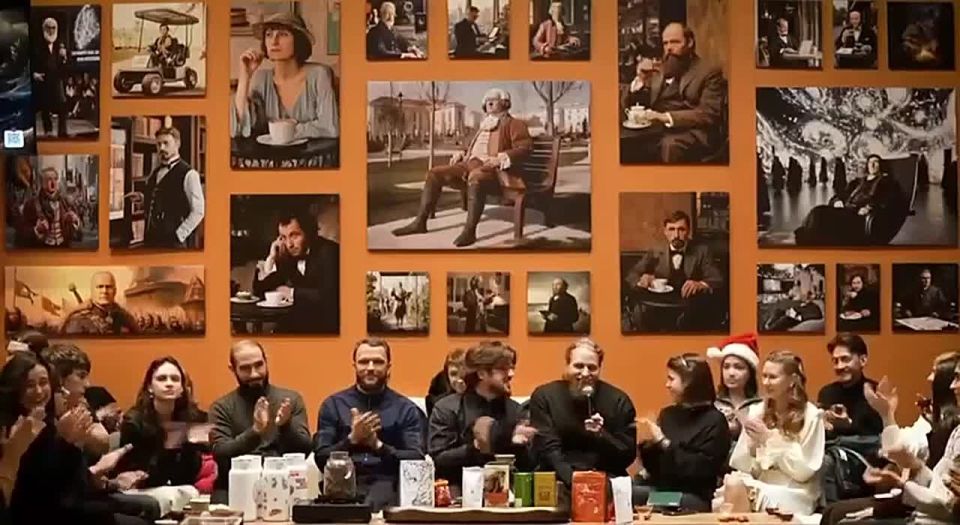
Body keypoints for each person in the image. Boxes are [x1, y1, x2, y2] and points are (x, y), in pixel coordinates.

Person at [0, 353, 150, 525]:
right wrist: (67, 444)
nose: (39, 391)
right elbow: (43, 493)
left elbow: (73, 484)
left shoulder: (49, 422)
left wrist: (74, 447)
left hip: (71, 502)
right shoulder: (11, 428)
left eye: (43, 383)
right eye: (29, 385)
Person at [392, 88, 533, 247]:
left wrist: (501, 158)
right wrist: (462, 152)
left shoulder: (514, 124)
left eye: (494, 100)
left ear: (505, 103)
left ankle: (469, 231)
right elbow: (473, 146)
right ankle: (420, 222)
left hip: (495, 171)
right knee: (434, 173)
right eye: (487, 101)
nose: (489, 103)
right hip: (469, 164)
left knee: (476, 177)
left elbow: (525, 148)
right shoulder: (484, 125)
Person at [313, 338, 425, 510]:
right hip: (342, 486)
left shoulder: (406, 409)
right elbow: (321, 457)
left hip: (388, 483)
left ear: (388, 366)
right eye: (364, 362)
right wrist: (352, 440)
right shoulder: (333, 405)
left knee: (381, 495)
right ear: (355, 366)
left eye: (378, 362)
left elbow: (416, 459)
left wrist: (377, 445)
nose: (371, 367)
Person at [722, 350, 825, 516]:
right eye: (764, 376)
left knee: (738, 490)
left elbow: (804, 471)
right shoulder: (758, 411)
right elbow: (743, 465)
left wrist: (769, 439)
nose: (766, 382)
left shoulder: (811, 415)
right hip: (762, 482)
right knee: (733, 483)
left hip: (795, 490)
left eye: (773, 377)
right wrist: (753, 449)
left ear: (792, 380)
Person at [209, 340, 311, 501]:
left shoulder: (290, 399)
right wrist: (255, 431)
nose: (254, 374)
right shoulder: (221, 407)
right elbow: (221, 455)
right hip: (235, 487)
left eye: (259, 365)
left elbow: (305, 450)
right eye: (245, 368)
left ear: (266, 361)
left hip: (283, 485)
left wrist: (285, 426)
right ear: (232, 369)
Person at [529, 338, 637, 489]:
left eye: (592, 368)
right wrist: (576, 483)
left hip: (605, 479)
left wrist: (601, 435)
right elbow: (548, 450)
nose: (585, 373)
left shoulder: (619, 400)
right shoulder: (545, 396)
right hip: (558, 481)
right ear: (567, 366)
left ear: (599, 369)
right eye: (578, 366)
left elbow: (627, 455)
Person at [428, 341, 536, 490]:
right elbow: (440, 459)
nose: (511, 374)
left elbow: (530, 467)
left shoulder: (516, 411)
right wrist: (474, 448)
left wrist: (521, 446)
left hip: (508, 494)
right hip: (459, 492)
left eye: (512, 368)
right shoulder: (447, 408)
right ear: (481, 373)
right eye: (503, 369)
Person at [634, 353, 730, 511]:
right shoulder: (668, 414)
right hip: (662, 489)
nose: (667, 385)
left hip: (692, 496)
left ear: (689, 383)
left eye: (671, 379)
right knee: (622, 492)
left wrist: (664, 442)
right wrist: (647, 445)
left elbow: (699, 470)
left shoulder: (715, 421)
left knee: (642, 498)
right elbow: (656, 469)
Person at [621, 22, 726, 163]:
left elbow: (708, 113)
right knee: (624, 143)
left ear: (689, 43)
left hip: (692, 132)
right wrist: (641, 78)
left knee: (670, 145)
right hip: (656, 130)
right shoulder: (660, 69)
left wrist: (664, 117)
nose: (669, 48)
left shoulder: (709, 71)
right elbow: (638, 102)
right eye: (665, 43)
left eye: (675, 42)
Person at [231, 11, 339, 141]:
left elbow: (330, 127)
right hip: (270, 154)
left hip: (315, 153)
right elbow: (239, 128)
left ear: (298, 41)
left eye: (283, 34)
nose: (274, 41)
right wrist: (245, 76)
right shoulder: (261, 78)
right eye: (269, 35)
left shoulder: (319, 75)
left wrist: (286, 132)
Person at [116, 357, 207, 491]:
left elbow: (191, 471)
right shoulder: (134, 422)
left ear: (182, 388)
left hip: (181, 487)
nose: (169, 384)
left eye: (175, 379)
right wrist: (168, 443)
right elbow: (134, 471)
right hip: (141, 489)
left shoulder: (193, 418)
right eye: (162, 378)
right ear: (150, 387)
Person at [624, 210, 724, 330]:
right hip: (659, 309)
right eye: (671, 229)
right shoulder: (656, 250)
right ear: (665, 232)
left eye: (681, 229)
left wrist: (700, 284)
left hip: (691, 310)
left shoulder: (702, 251)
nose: (676, 235)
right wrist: (641, 280)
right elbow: (632, 274)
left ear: (688, 231)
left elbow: (717, 279)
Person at [251, 212, 340, 333]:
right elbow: (259, 292)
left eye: (294, 236)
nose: (289, 244)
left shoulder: (330, 252)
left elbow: (330, 296)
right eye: (283, 237)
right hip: (295, 325)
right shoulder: (285, 255)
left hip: (326, 329)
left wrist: (291, 292)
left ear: (309, 233)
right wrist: (271, 258)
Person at [794, 154, 908, 245]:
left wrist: (870, 207)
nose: (873, 165)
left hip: (858, 217)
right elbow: (839, 195)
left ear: (880, 165)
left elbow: (886, 200)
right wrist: (837, 201)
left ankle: (806, 243)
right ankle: (806, 241)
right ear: (867, 165)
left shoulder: (885, 182)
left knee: (819, 214)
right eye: (870, 162)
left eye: (876, 162)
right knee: (817, 212)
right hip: (845, 210)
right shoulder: (857, 182)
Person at [139, 126, 205, 248]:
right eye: (158, 144)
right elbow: (161, 199)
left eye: (166, 143)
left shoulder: (189, 174)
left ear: (177, 144)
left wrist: (179, 235)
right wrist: (142, 198)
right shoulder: (156, 172)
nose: (161, 148)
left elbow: (198, 211)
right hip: (151, 240)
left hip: (173, 243)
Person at [40, 343, 111, 456]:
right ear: (59, 378)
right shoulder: (41, 413)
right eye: (81, 376)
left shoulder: (79, 404)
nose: (87, 384)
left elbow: (103, 441)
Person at [818, 334, 883, 439]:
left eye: (845, 359)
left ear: (863, 360)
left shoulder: (876, 393)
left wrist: (848, 425)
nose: (839, 366)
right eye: (835, 361)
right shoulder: (826, 394)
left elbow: (878, 437)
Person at [706, 333, 762, 444]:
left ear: (750, 373)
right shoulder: (712, 404)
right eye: (726, 367)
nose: (731, 373)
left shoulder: (761, 406)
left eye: (739, 367)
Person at [18, 167, 81, 247]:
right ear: (42, 183)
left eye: (55, 179)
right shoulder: (31, 204)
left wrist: (75, 221)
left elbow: (79, 235)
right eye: (49, 179)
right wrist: (36, 230)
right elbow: (21, 234)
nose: (53, 182)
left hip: (63, 246)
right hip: (42, 248)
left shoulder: (66, 202)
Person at [61, 272, 140, 335]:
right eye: (100, 287)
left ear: (115, 291)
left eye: (108, 287)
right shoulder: (78, 320)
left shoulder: (124, 317)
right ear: (92, 291)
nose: (104, 291)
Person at [32, 17, 68, 137]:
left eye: (53, 28)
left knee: (62, 105)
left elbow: (66, 65)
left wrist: (64, 59)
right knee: (45, 107)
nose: (51, 31)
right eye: (48, 28)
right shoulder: (37, 45)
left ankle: (62, 132)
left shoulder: (60, 46)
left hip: (57, 80)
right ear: (44, 29)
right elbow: (28, 64)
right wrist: (34, 75)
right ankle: (48, 131)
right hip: (44, 81)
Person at [425, 348, 467, 418]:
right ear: (447, 376)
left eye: (463, 374)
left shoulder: (480, 399)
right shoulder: (436, 403)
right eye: (453, 374)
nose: (459, 379)